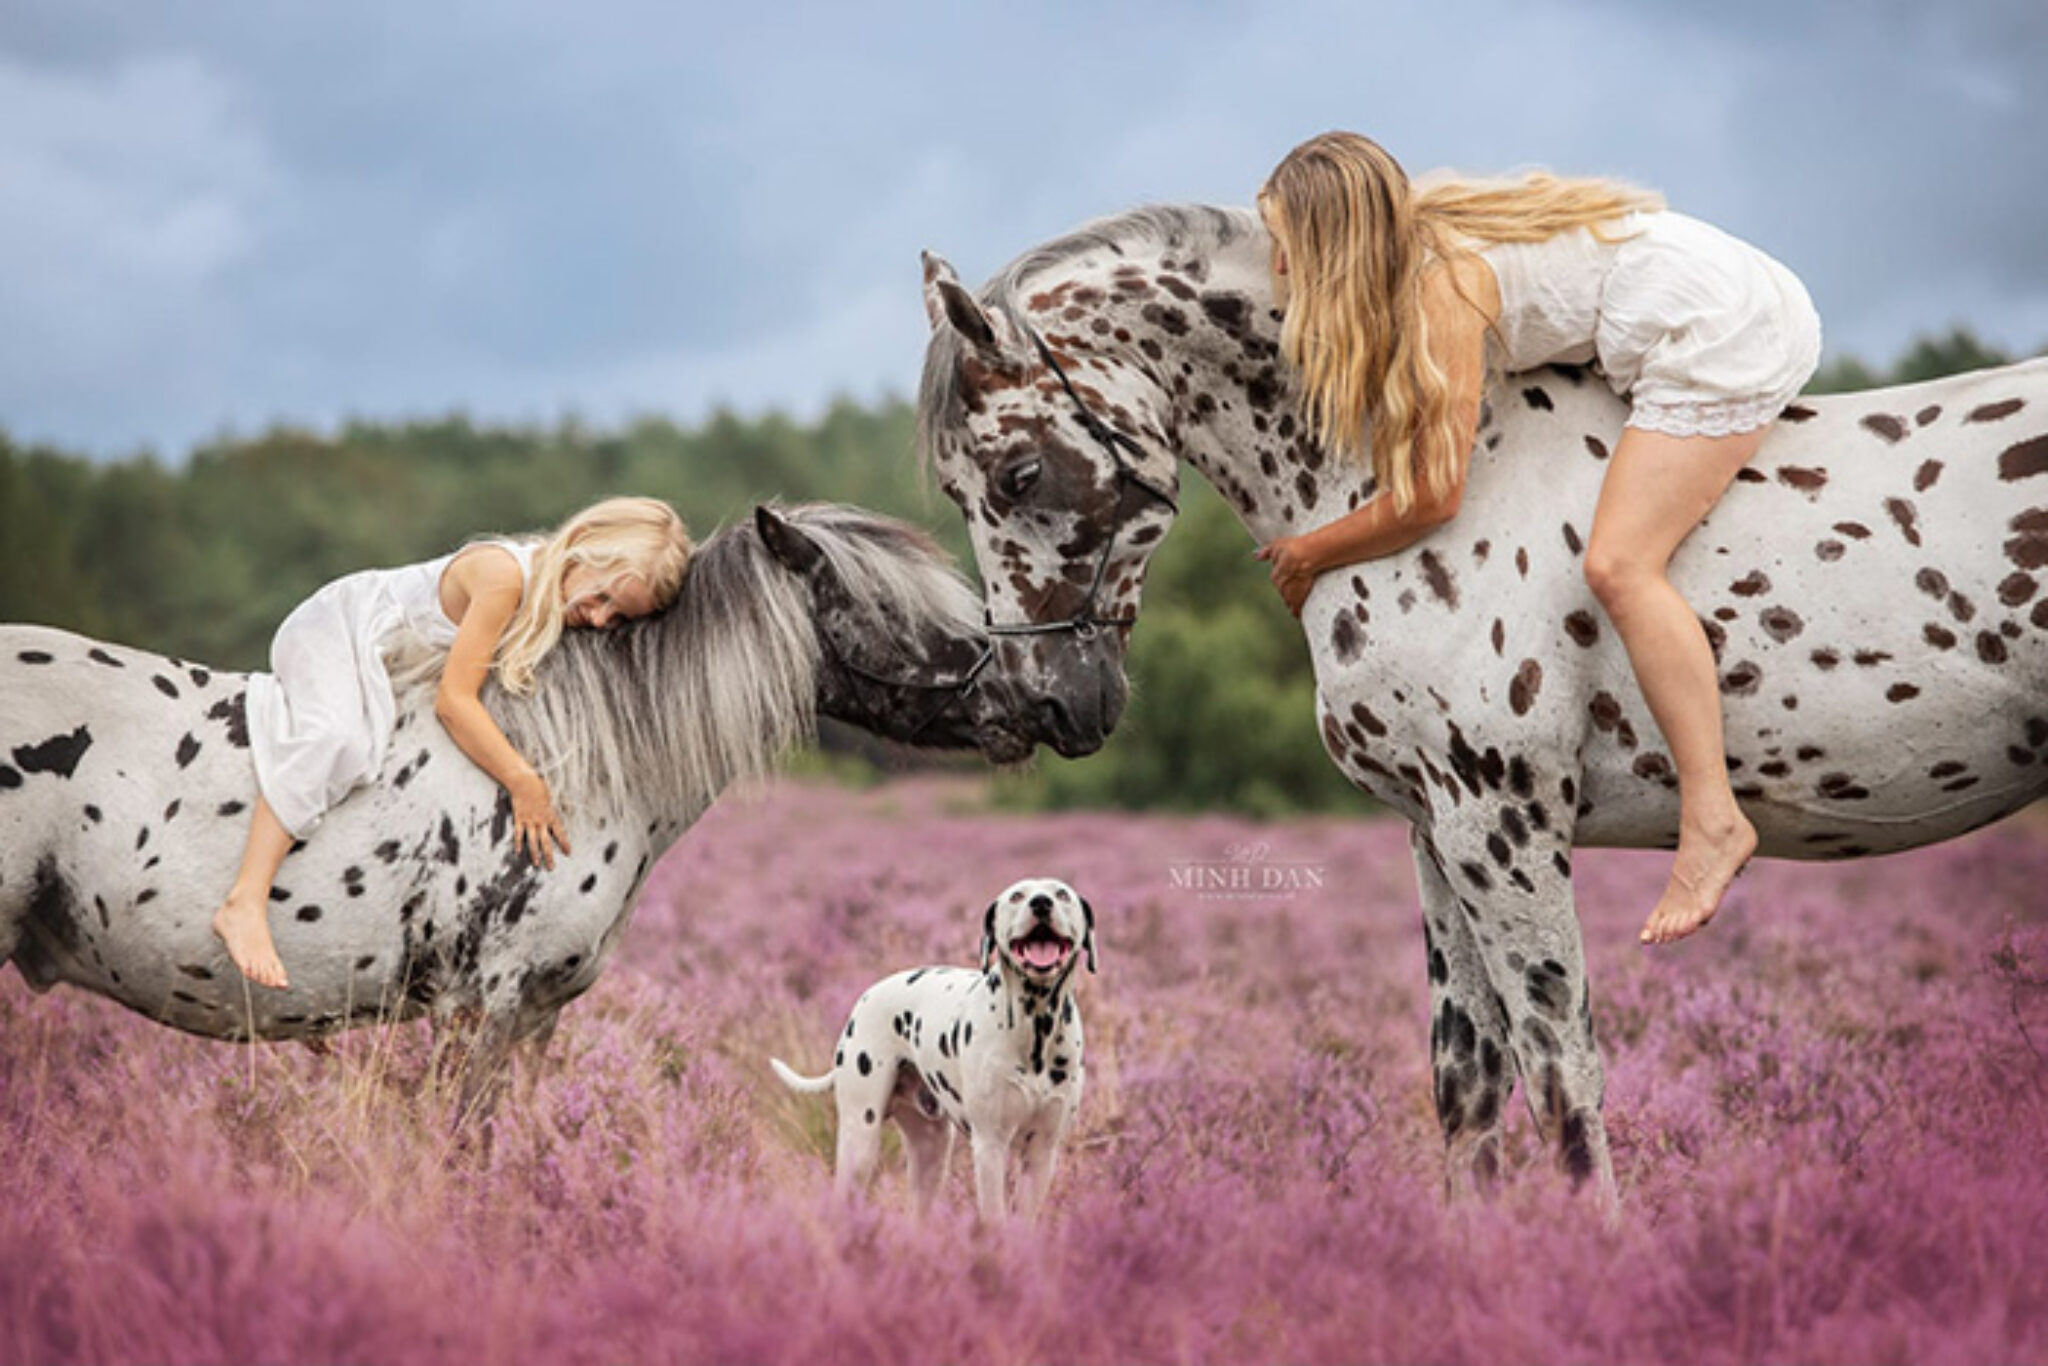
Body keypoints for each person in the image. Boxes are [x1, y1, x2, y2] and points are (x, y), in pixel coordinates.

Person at [1252, 131, 1821, 946]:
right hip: (1717, 277)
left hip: (1717, 325)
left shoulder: (1442, 288)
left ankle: (1713, 815)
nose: (1277, 269)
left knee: (1621, 565)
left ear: (1333, 248)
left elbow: (1433, 497)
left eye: (1287, 247)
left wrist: (1314, 550)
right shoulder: (1421, 233)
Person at [210, 496, 693, 988]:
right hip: (341, 632)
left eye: (616, 619)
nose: (598, 619)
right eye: (603, 597)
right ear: (583, 547)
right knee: (337, 741)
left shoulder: (558, 601)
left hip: (398, 664)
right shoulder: (502, 577)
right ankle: (245, 899)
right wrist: (522, 781)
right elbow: (455, 703)